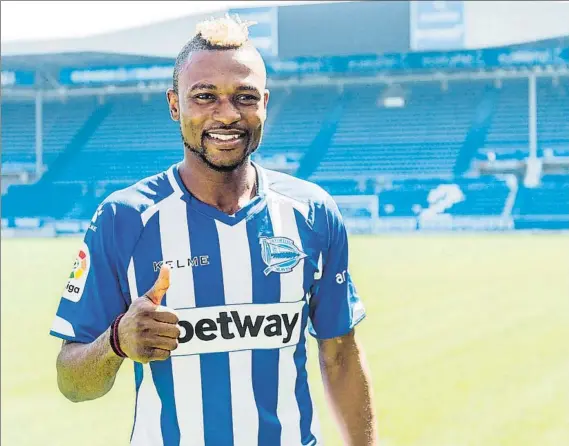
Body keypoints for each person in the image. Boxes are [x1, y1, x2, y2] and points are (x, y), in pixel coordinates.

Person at [50, 15, 378, 446]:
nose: (227, 114)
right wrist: (116, 341)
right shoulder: (124, 218)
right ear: (174, 104)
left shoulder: (311, 212)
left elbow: (339, 356)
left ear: (264, 103)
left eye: (244, 97)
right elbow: (73, 382)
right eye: (204, 96)